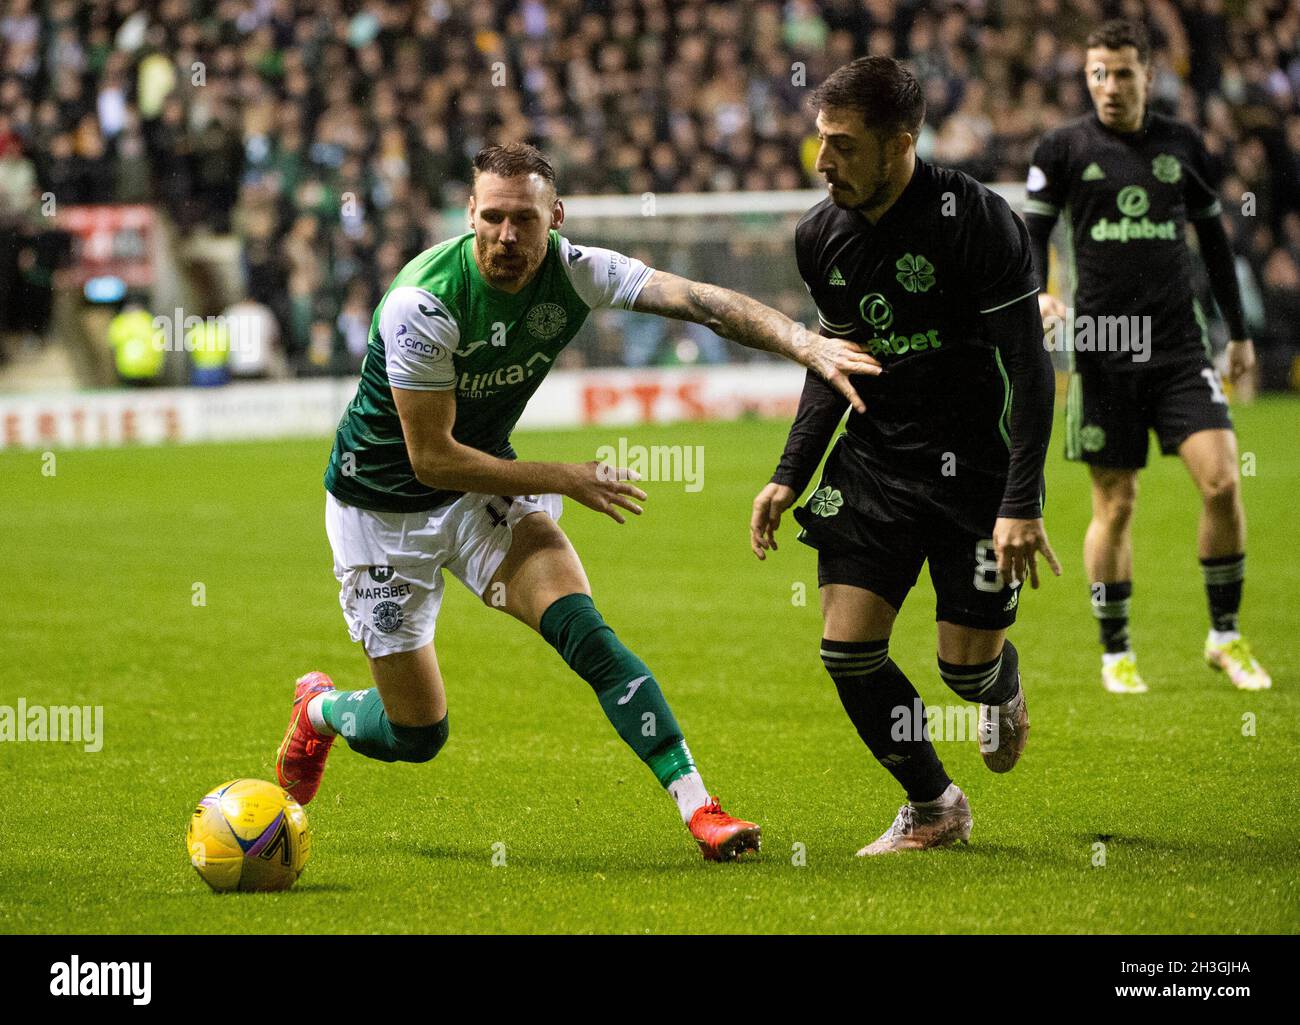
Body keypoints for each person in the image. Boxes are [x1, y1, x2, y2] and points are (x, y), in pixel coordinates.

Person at [276, 142, 880, 862]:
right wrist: (565, 476)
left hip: (480, 495)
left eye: (524, 220)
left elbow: (697, 302)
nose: (507, 237)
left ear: (554, 218)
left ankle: (702, 809)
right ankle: (319, 708)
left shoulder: (575, 269)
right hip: (379, 514)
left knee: (587, 634)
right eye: (492, 218)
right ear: (469, 215)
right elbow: (430, 459)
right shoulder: (423, 302)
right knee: (418, 733)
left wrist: (803, 342)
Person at [749, 57, 1057, 855]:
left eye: (844, 146)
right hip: (875, 465)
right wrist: (790, 473)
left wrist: (1021, 502)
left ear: (901, 145)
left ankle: (1003, 687)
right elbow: (835, 366)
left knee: (966, 673)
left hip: (973, 475)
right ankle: (933, 804)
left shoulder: (980, 220)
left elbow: (1029, 369)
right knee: (847, 651)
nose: (824, 163)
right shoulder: (821, 236)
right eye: (821, 141)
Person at [1023, 19, 1271, 693]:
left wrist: (1239, 333)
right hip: (1102, 351)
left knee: (1222, 481)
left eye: (1122, 72)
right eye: (1096, 73)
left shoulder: (1183, 144)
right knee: (1117, 504)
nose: (1108, 86)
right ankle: (1117, 649)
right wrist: (1039, 296)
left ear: (1147, 76)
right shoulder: (1063, 147)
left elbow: (1214, 244)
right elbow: (1031, 236)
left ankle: (1224, 635)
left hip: (1179, 346)